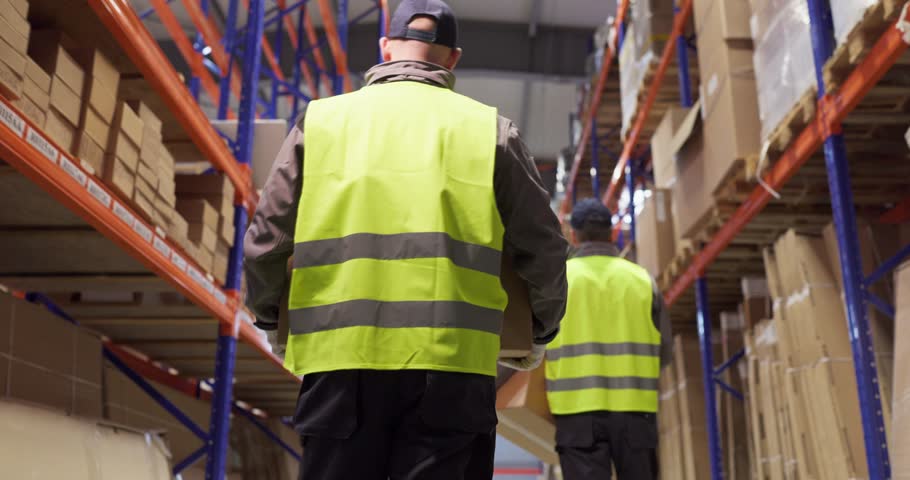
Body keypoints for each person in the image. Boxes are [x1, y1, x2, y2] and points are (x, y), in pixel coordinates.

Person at [242, 0, 568, 478]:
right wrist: (541, 329)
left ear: (385, 48)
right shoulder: (490, 131)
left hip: (340, 363)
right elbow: (543, 246)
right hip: (452, 366)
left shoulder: (322, 122)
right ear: (453, 57)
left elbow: (267, 237)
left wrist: (270, 316)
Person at [546, 198, 673, 480]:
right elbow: (665, 352)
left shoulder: (558, 280)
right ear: (612, 232)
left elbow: (535, 341)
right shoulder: (642, 280)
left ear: (573, 234)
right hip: (636, 412)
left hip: (576, 412)